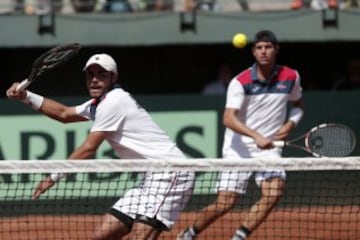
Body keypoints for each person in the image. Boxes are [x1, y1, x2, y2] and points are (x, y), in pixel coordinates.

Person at [6, 53, 195, 240]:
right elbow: (64, 113)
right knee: (101, 236)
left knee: (140, 236)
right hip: (149, 178)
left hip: (172, 173)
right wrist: (26, 96)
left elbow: (89, 148)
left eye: (102, 74)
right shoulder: (100, 103)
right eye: (90, 75)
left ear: (114, 77)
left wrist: (53, 176)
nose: (95, 80)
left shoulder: (114, 102)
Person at [177, 30, 304, 240]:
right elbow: (228, 118)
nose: (263, 52)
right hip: (238, 149)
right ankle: (190, 233)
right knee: (225, 202)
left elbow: (298, 105)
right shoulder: (240, 81)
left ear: (276, 50)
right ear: (254, 52)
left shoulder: (291, 76)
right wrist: (256, 136)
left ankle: (239, 237)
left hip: (268, 150)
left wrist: (291, 123)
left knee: (274, 192)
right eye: (259, 48)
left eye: (268, 47)